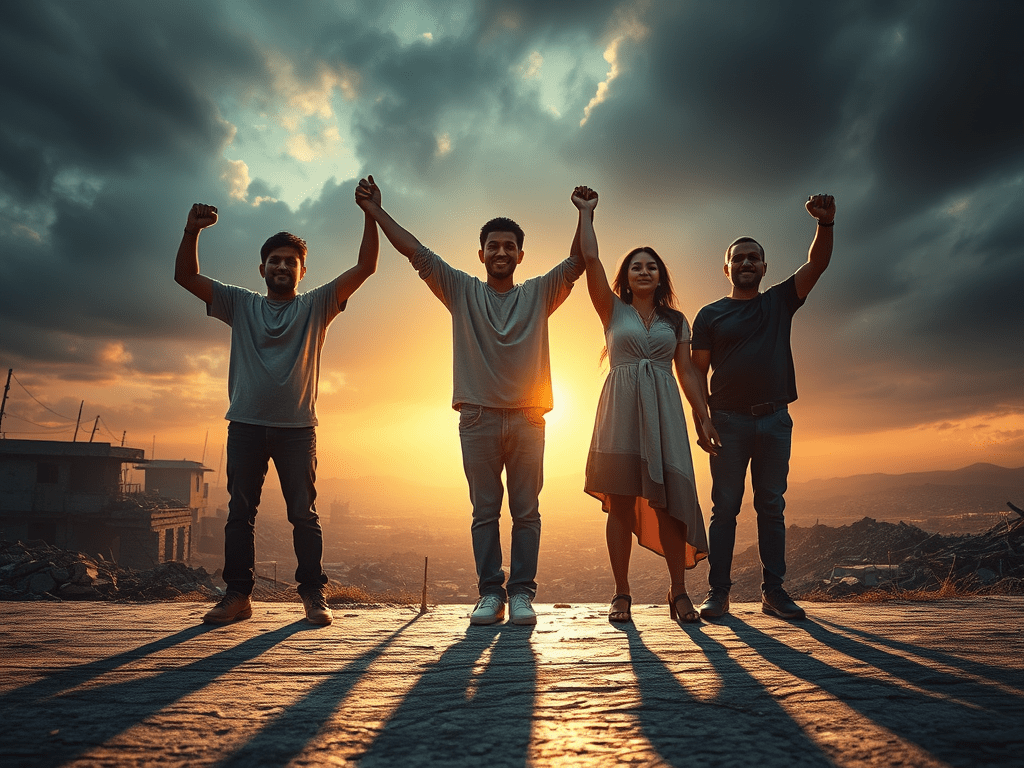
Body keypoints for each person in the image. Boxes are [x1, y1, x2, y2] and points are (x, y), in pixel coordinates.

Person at [354, 175, 585, 626]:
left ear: (521, 254)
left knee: (526, 511)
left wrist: (583, 213)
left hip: (527, 417)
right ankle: (490, 593)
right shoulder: (461, 289)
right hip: (477, 417)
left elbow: (577, 262)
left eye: (509, 246)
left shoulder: (538, 293)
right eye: (492, 246)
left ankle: (521, 594)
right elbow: (415, 252)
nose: (501, 253)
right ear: (481, 255)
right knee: (484, 512)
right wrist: (376, 212)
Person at [174, 199, 379, 626]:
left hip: (297, 430)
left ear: (303, 271)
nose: (282, 266)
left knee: (303, 515)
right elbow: (185, 276)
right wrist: (192, 231)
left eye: (290, 261)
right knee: (239, 513)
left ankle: (312, 595)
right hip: (245, 425)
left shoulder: (317, 306)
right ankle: (237, 596)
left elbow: (365, 268)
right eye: (274, 260)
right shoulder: (241, 304)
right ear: (262, 269)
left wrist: (369, 214)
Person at [573, 186, 715, 624]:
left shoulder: (677, 321)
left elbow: (688, 372)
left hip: (666, 414)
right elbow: (591, 260)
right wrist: (586, 214)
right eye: (636, 266)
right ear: (626, 275)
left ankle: (679, 591)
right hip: (619, 411)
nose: (644, 271)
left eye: (651, 266)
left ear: (661, 276)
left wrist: (702, 416)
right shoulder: (610, 309)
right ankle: (621, 594)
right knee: (618, 502)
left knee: (671, 501)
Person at [691, 193, 836, 620]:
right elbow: (697, 373)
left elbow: (817, 264)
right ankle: (718, 593)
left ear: (765, 267)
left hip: (774, 419)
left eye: (754, 257)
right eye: (739, 258)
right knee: (725, 509)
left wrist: (824, 224)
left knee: (771, 505)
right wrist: (703, 418)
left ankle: (774, 592)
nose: (747, 263)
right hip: (728, 423)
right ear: (727, 268)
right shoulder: (710, 316)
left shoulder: (778, 301)